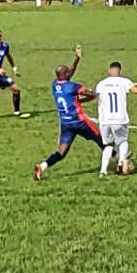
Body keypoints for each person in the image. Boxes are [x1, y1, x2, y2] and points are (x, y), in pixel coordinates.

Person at [33, 46, 102, 181]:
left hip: (66, 124)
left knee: (61, 152)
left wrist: (77, 58)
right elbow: (92, 95)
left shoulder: (55, 85)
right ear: (64, 75)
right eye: (67, 72)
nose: (69, 73)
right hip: (80, 122)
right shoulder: (73, 86)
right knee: (101, 139)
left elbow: (69, 73)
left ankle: (42, 166)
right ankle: (117, 160)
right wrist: (96, 92)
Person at [95, 61, 137, 176]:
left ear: (109, 71)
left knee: (108, 145)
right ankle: (122, 163)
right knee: (122, 141)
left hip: (104, 120)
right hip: (119, 118)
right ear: (120, 72)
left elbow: (93, 95)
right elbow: (136, 90)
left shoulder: (101, 83)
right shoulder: (124, 81)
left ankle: (103, 171)